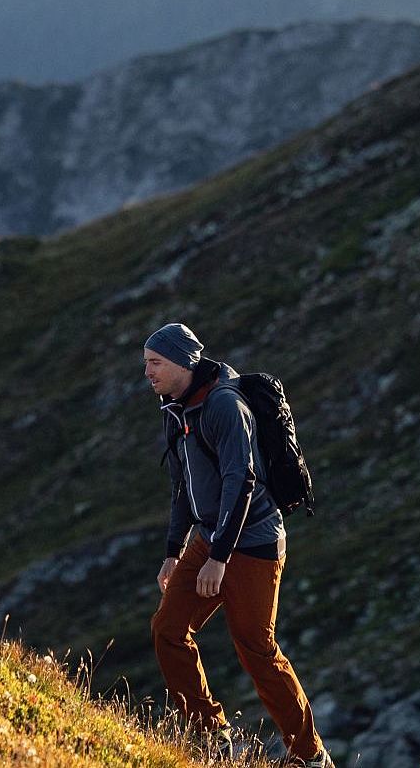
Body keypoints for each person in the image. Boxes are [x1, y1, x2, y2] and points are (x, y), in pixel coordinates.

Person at [142, 323, 330, 766]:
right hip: (210, 539)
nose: (147, 372)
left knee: (256, 649)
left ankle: (310, 756)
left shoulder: (225, 405)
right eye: (146, 363)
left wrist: (219, 558)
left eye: (155, 363)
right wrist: (173, 551)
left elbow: (240, 482)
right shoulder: (177, 409)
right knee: (168, 630)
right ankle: (212, 735)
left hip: (254, 543)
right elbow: (182, 488)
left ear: (183, 363)